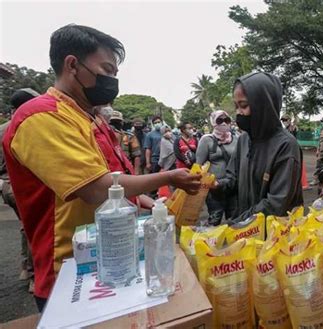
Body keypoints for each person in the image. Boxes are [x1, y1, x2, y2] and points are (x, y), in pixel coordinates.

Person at [2, 24, 201, 311]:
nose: (112, 81)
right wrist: (170, 177)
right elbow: (97, 188)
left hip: (114, 257)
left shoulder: (93, 120)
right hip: (70, 272)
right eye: (107, 69)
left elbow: (118, 182)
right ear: (72, 64)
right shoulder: (40, 117)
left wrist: (149, 202)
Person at [216, 72, 303, 223]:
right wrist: (215, 184)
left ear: (263, 105)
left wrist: (237, 223)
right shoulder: (244, 140)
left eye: (243, 105)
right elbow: (233, 178)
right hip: (246, 233)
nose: (238, 113)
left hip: (276, 237)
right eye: (236, 106)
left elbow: (277, 204)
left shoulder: (286, 146)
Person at [0, 88, 39, 294]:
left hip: (6, 186)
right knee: (35, 227)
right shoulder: (30, 125)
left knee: (25, 226)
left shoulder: (3, 128)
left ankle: (25, 266)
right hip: (24, 187)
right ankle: (35, 276)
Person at [196, 110, 238, 225]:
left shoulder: (236, 139)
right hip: (214, 188)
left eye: (227, 120)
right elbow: (198, 166)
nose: (224, 123)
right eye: (220, 120)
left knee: (235, 219)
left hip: (232, 185)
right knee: (215, 219)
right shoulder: (206, 140)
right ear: (214, 122)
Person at [109, 110, 142, 175]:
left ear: (122, 123)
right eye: (112, 122)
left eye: (117, 122)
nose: (115, 124)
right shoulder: (102, 136)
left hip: (126, 170)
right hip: (109, 170)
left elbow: (136, 156)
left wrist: (136, 172)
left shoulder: (129, 136)